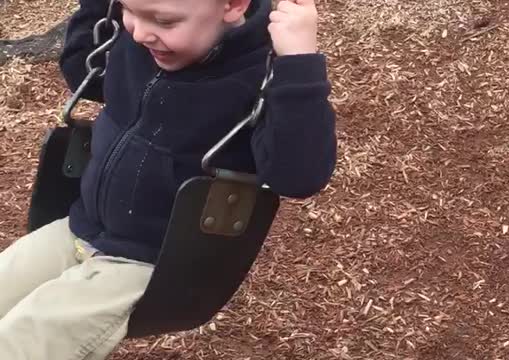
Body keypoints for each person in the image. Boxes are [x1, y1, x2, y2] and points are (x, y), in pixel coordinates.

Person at [0, 0, 336, 357]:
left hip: (150, 263)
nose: (141, 31)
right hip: (79, 228)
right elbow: (85, 75)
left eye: (164, 20)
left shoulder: (258, 75)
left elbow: (299, 176)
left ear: (234, 5)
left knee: (22, 342)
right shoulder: (140, 41)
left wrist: (298, 64)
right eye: (129, 10)